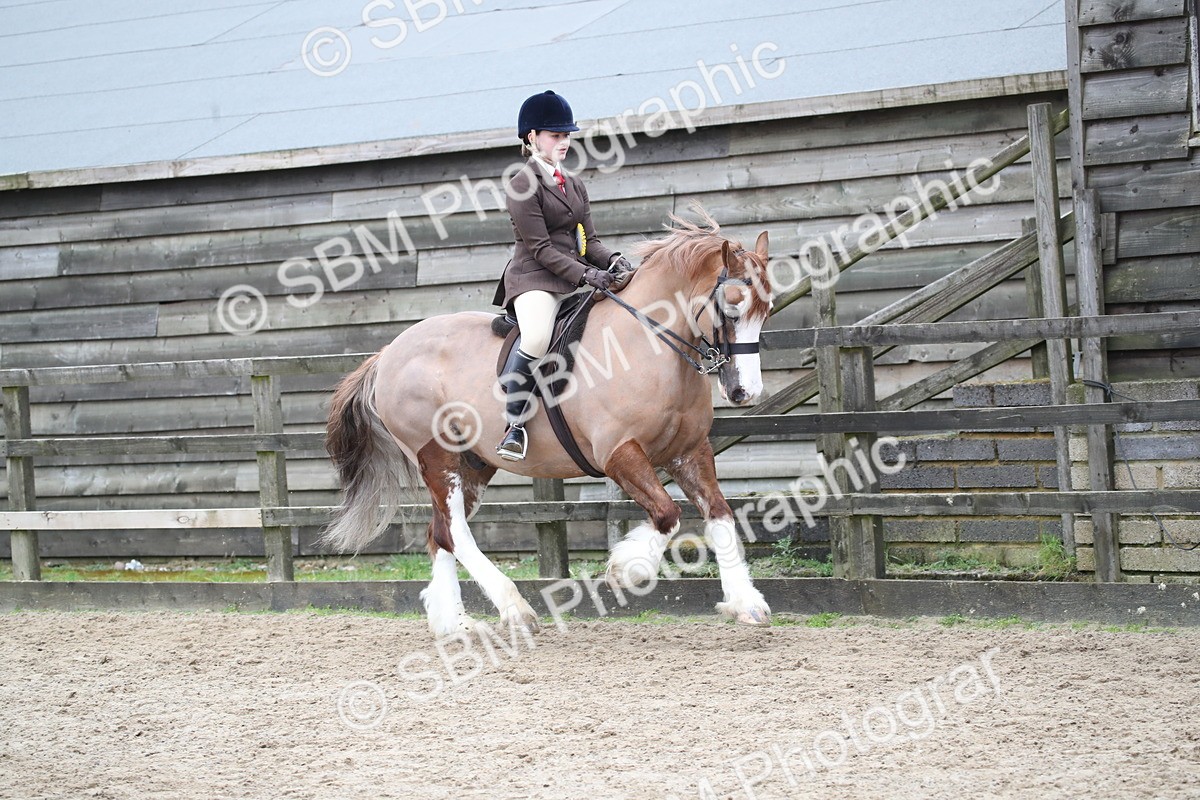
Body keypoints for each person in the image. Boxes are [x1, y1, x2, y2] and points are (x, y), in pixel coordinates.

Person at [491, 90, 633, 462]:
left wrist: (614, 261)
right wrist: (587, 274)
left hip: (575, 277)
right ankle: (515, 425)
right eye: (555, 135)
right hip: (535, 279)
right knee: (538, 336)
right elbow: (541, 249)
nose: (564, 142)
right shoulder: (521, 185)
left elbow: (589, 241)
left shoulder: (575, 184)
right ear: (532, 137)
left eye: (567, 135)